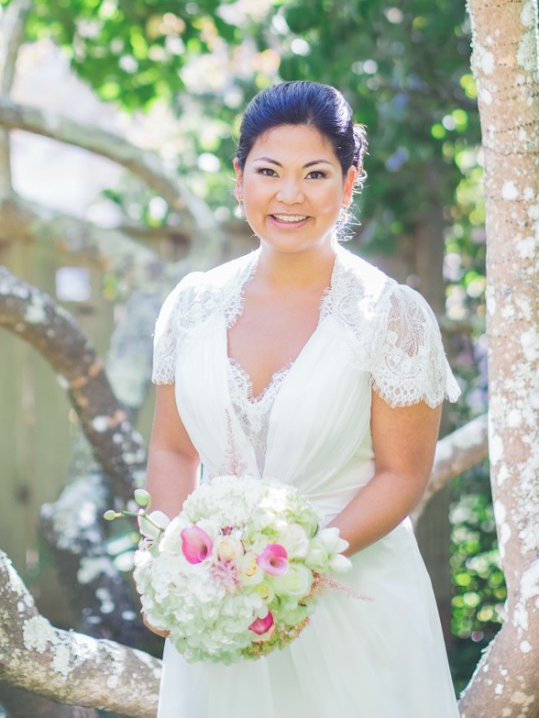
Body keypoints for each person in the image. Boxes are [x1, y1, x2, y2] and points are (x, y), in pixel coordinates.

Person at [146, 81, 461, 717]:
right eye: (269, 172)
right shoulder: (191, 306)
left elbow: (403, 474)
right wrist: (174, 562)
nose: (289, 195)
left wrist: (292, 567)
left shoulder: (390, 315)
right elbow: (172, 449)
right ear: (239, 179)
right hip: (220, 610)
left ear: (348, 184)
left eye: (315, 173)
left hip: (358, 608)